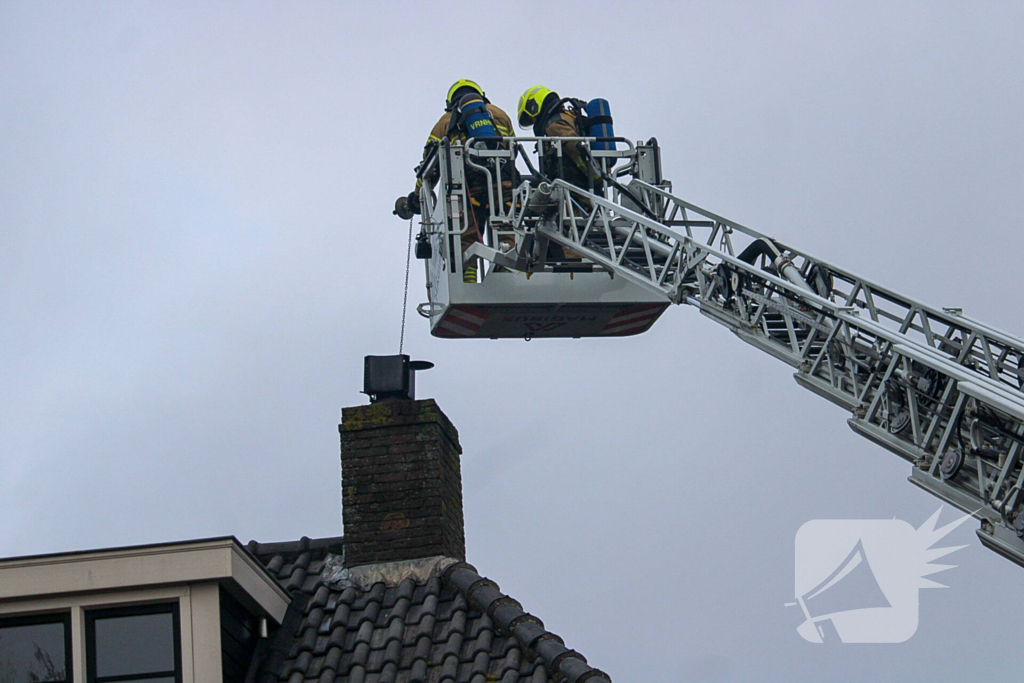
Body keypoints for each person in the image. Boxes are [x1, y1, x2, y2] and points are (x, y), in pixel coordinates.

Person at [395, 79, 514, 283]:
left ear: (450, 100)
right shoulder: (500, 114)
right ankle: (509, 274)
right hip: (502, 183)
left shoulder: (445, 121)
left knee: (467, 237)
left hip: (468, 188)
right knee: (506, 230)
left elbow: (428, 166)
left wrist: (417, 196)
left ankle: (469, 281)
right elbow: (512, 148)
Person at [516, 85, 601, 193]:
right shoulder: (565, 116)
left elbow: (576, 149)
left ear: (534, 106)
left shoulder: (554, 125)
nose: (533, 121)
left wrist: (596, 176)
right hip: (578, 189)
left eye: (530, 117)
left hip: (576, 190)